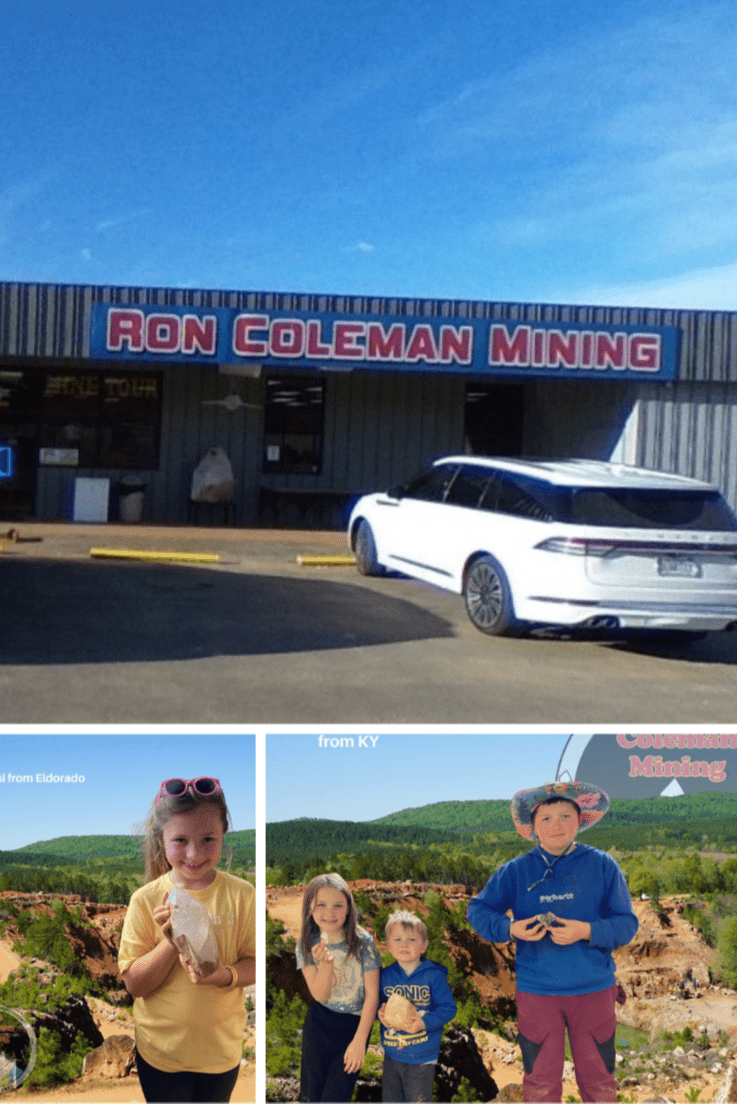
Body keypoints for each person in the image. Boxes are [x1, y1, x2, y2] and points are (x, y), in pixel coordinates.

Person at [467, 780, 638, 1104]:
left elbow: (627, 924)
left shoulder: (603, 866)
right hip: (537, 995)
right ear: (533, 827)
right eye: (546, 818)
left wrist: (586, 931)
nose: (556, 825)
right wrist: (510, 929)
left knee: (599, 1083)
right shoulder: (515, 872)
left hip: (594, 991)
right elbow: (477, 909)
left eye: (565, 816)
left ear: (580, 820)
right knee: (541, 1085)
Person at [118, 777, 255, 1103]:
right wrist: (172, 941)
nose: (194, 854)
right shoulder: (145, 900)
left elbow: (253, 962)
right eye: (180, 840)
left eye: (208, 839)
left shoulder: (242, 895)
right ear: (161, 839)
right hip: (161, 1055)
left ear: (223, 834)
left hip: (220, 1054)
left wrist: (222, 976)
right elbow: (135, 985)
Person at [296, 873, 381, 1102]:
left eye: (338, 905)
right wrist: (325, 964)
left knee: (336, 1097)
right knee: (310, 1097)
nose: (329, 913)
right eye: (321, 905)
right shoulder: (305, 943)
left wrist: (360, 1041)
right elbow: (320, 995)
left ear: (348, 909)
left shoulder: (364, 942)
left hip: (352, 1028)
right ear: (310, 908)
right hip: (319, 1024)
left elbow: (372, 996)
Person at [377, 909, 456, 1103]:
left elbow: (448, 1008)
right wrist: (380, 1012)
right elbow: (379, 1004)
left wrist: (423, 1023)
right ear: (387, 945)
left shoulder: (433, 975)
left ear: (424, 946)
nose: (404, 944)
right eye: (397, 940)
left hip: (421, 1057)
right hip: (392, 1055)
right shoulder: (386, 976)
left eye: (412, 940)